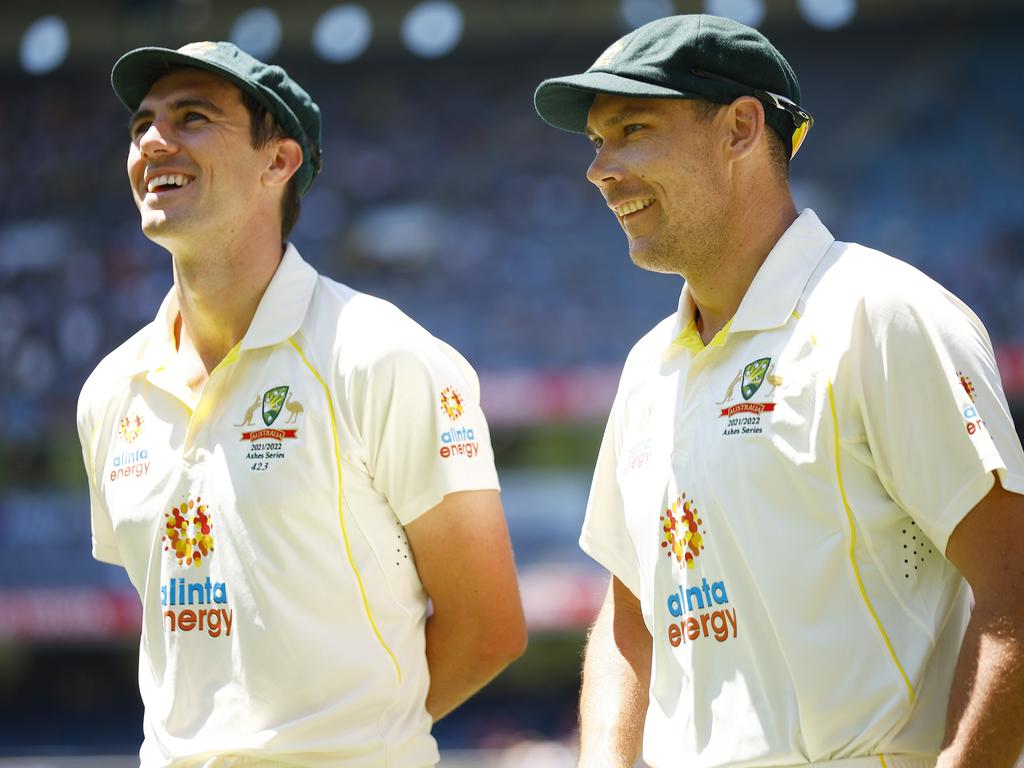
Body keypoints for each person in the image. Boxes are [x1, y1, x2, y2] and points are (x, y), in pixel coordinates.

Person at [534, 14, 1024, 768]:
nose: (600, 168)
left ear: (739, 129)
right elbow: (630, 616)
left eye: (631, 128)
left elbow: (1014, 589)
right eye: (597, 141)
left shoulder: (881, 315)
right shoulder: (646, 367)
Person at [76, 41, 526, 767]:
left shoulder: (379, 353)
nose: (153, 141)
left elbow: (490, 627)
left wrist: (347, 742)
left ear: (278, 162)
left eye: (192, 118)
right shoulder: (109, 391)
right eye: (141, 126)